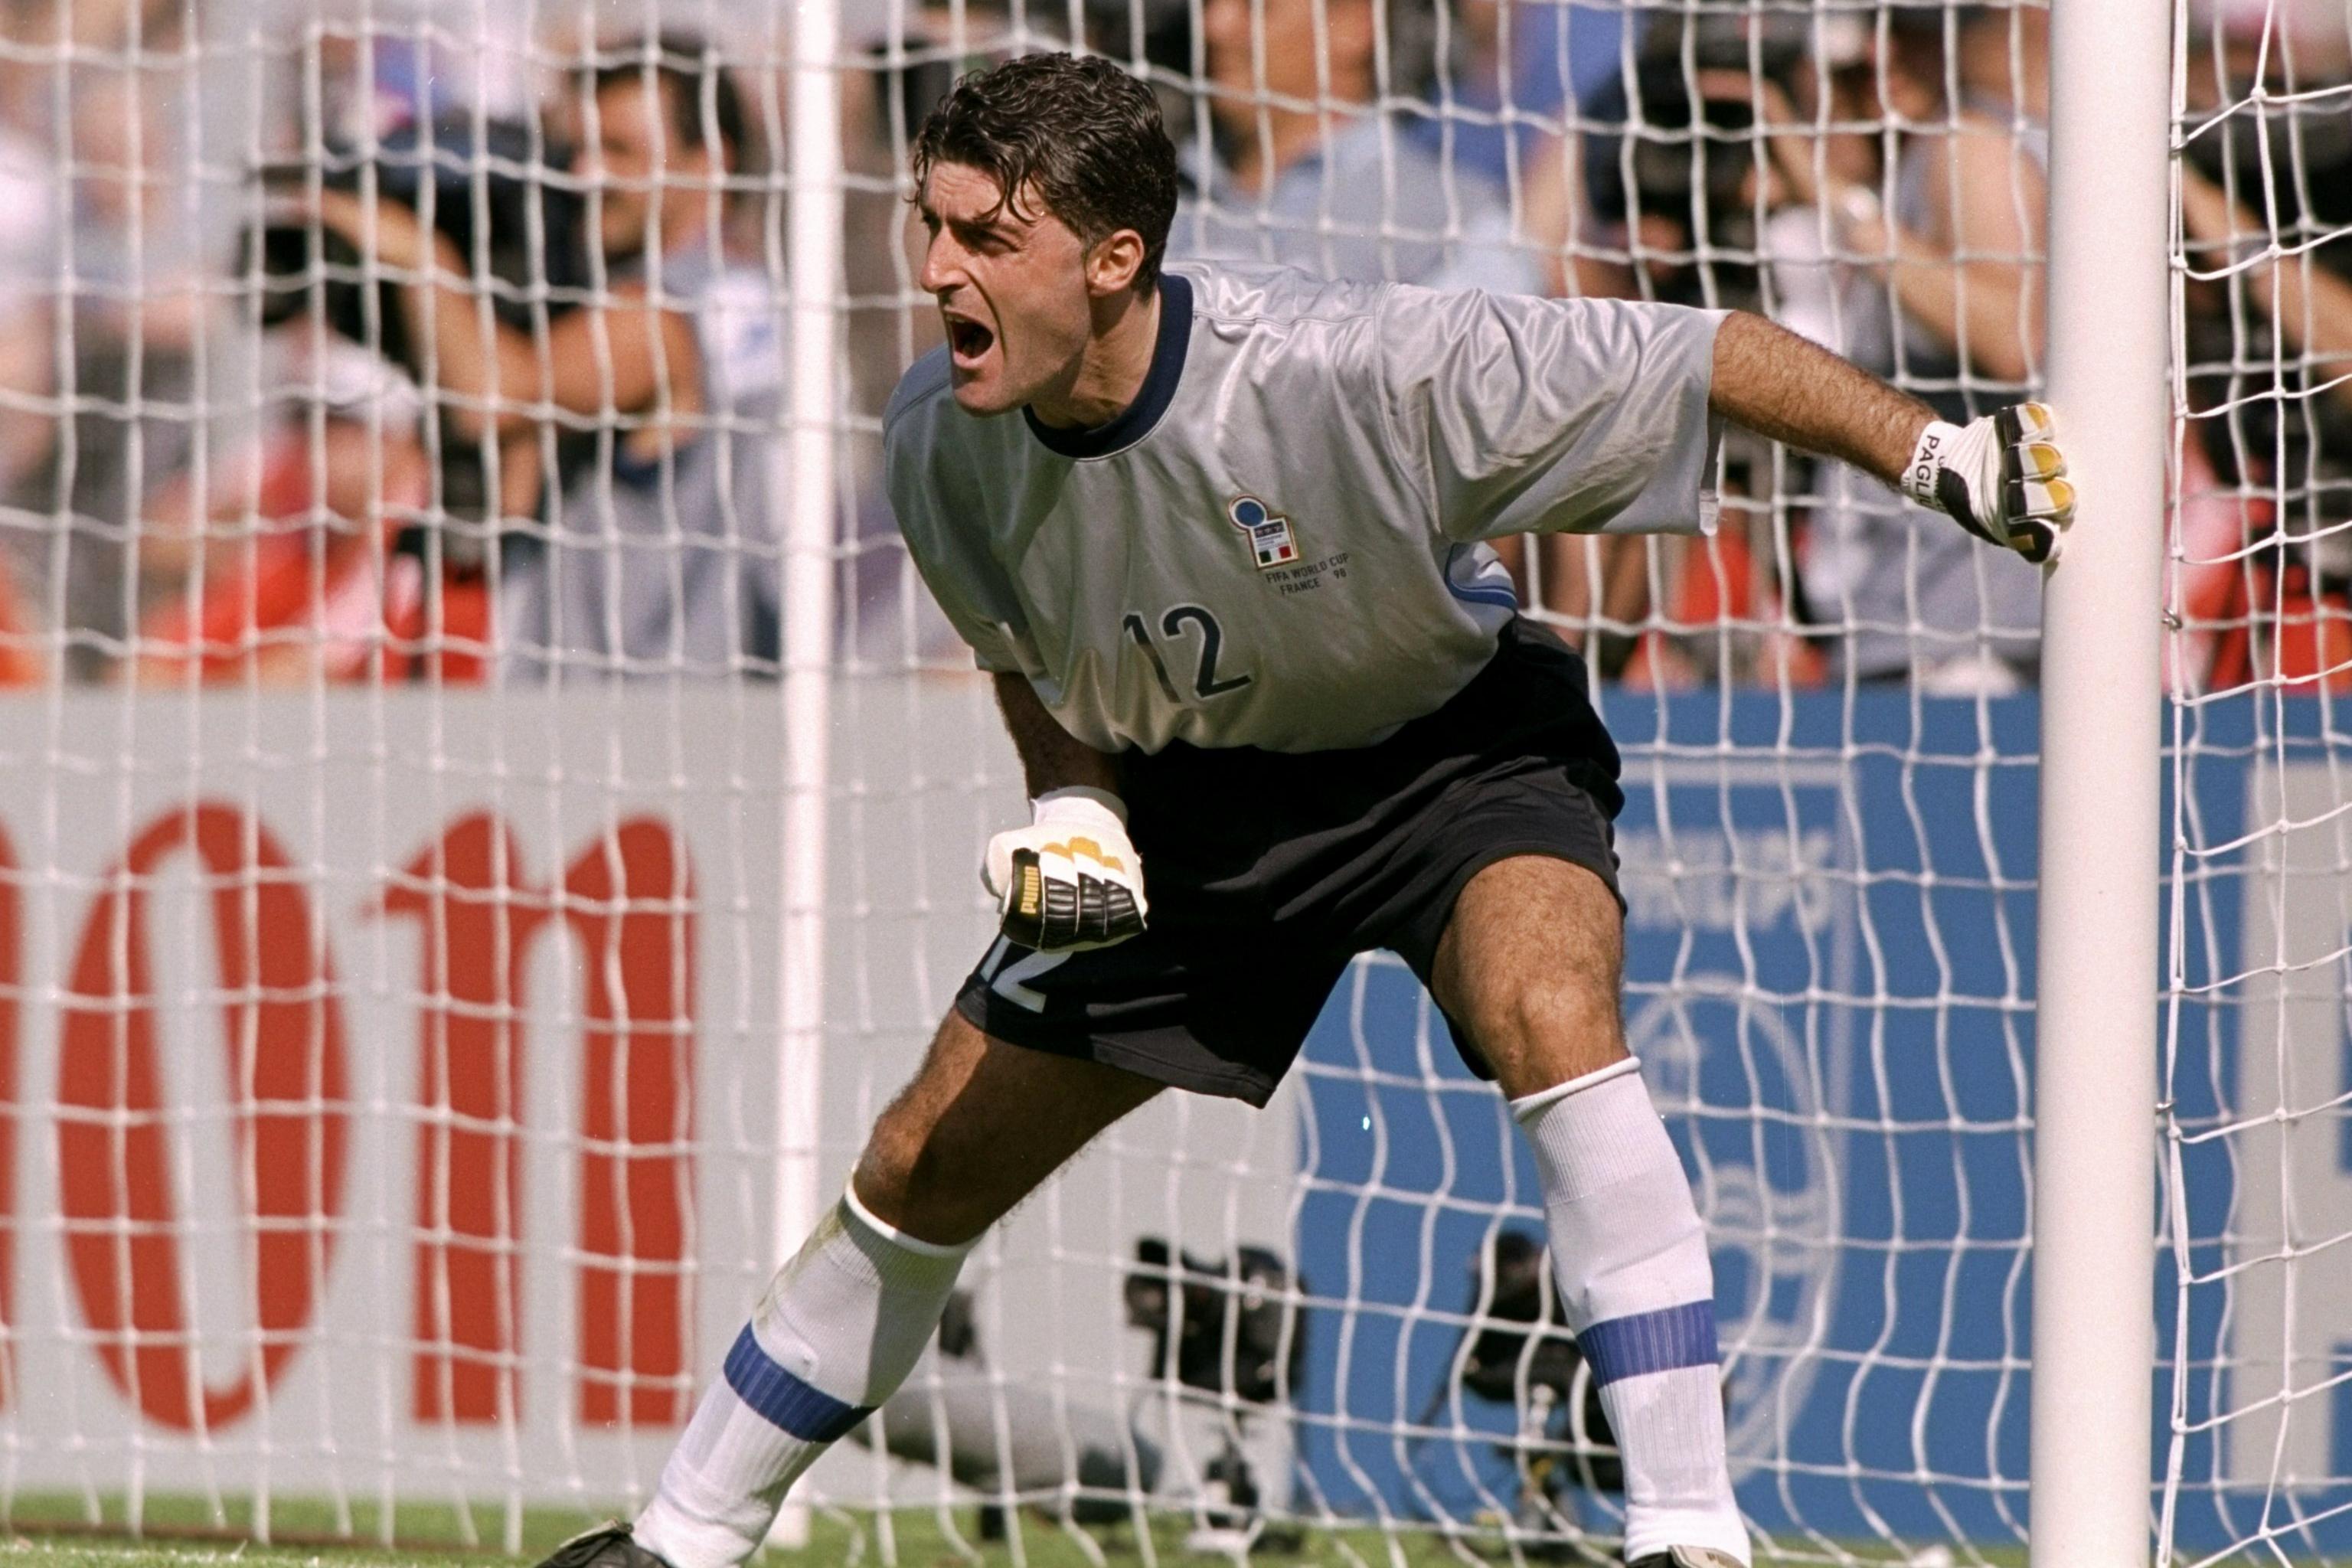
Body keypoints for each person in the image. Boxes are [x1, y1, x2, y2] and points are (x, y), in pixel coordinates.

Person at [534, 54, 2070, 1568]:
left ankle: (1686, 1533)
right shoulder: (940, 436)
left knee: (1551, 1010)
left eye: (987, 238)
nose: (939, 272)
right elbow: (1028, 651)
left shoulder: (1347, 369)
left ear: (1117, 257)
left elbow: (1706, 353)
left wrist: (1946, 456)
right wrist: (1074, 797)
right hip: (1198, 796)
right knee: (926, 1158)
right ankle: (676, 1541)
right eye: (929, 228)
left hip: (1453, 756)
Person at [312, 33, 783, 678]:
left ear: (711, 164)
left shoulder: (662, 312)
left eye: (619, 151)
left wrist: (418, 256)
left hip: (626, 719)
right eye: (577, 149)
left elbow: (493, 401)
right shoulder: (748, 299)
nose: (584, 175)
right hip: (697, 698)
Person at [1176, 0, 1547, 296]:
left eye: (1253, 7)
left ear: (1354, 23)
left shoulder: (1459, 228)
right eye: (1209, 2)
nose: (1215, 25)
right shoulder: (1154, 187)